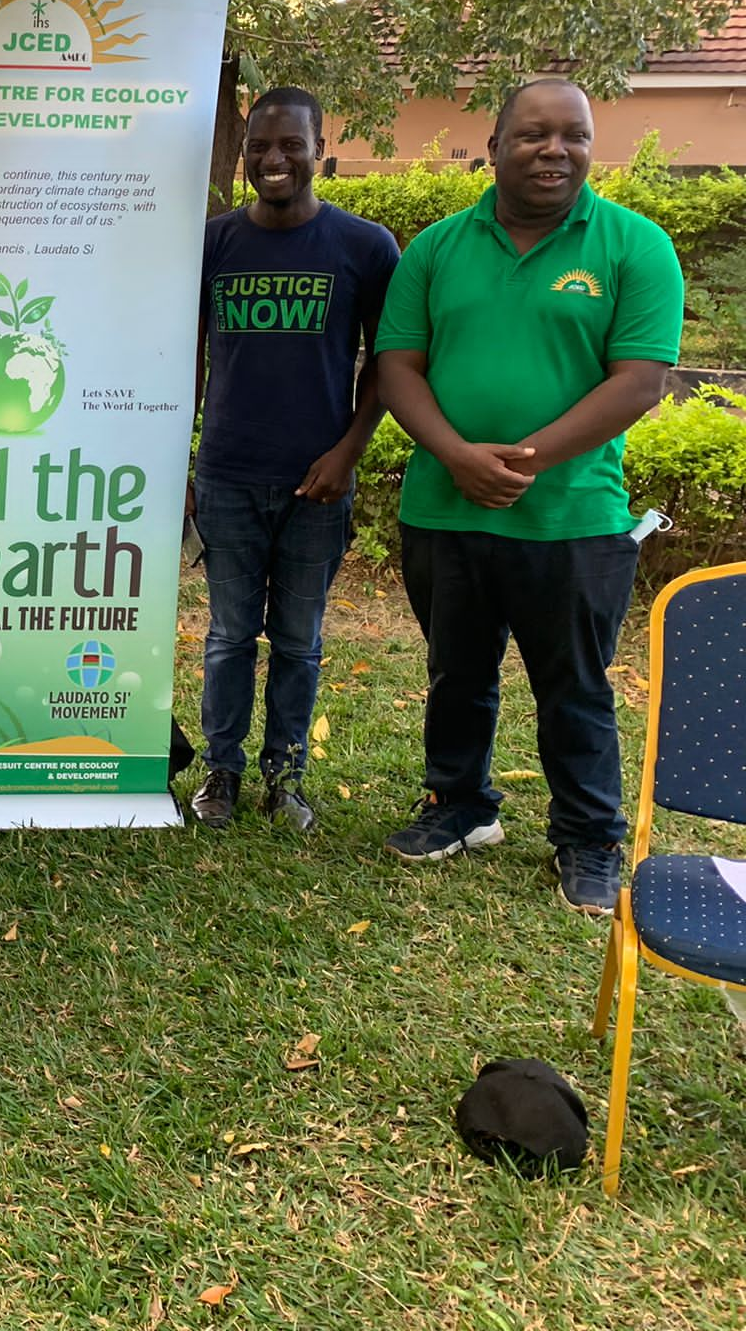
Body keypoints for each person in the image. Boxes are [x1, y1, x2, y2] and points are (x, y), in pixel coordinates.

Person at [374, 77, 683, 914]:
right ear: (495, 147)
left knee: (573, 683)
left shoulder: (634, 246)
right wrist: (456, 457)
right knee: (456, 672)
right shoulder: (437, 248)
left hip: (573, 515)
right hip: (443, 508)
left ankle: (587, 839)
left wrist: (526, 460)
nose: (556, 151)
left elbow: (641, 381)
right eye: (534, 136)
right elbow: (398, 365)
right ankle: (459, 806)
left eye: (574, 136)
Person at [188, 88, 400, 831]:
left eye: (290, 146)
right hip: (226, 475)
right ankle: (222, 772)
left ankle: (285, 775)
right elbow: (193, 354)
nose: (273, 160)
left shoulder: (365, 246)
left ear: (320, 146)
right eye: (259, 147)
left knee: (300, 641)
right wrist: (186, 458)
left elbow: (388, 361)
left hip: (319, 481)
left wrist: (348, 451)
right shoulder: (212, 242)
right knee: (228, 636)